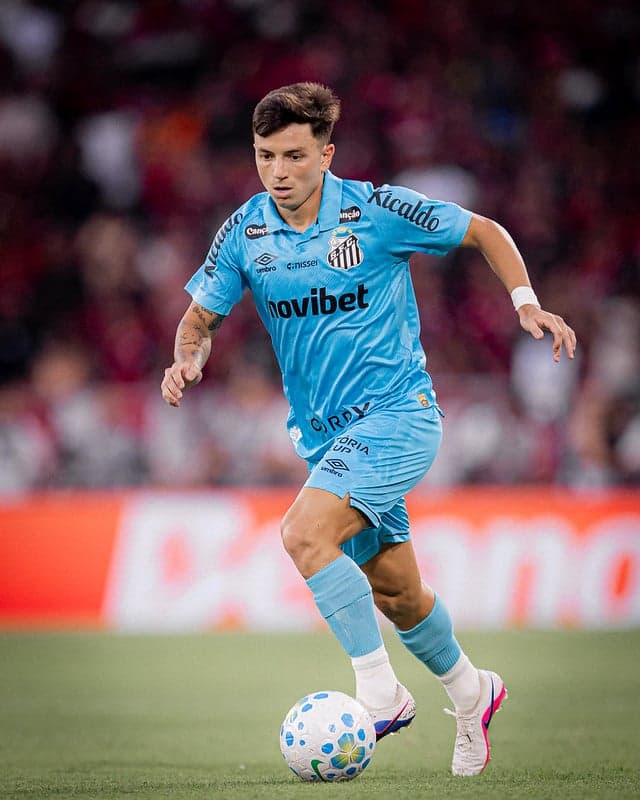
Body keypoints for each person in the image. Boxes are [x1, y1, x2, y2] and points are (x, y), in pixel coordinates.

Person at [161, 82, 576, 776]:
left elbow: (483, 230)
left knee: (303, 533)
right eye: (265, 156)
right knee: (398, 595)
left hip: (399, 417)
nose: (278, 172)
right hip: (326, 440)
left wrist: (526, 303)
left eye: (294, 156)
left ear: (326, 154)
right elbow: (199, 321)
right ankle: (473, 691)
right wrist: (187, 361)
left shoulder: (376, 211)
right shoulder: (245, 231)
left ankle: (381, 692)